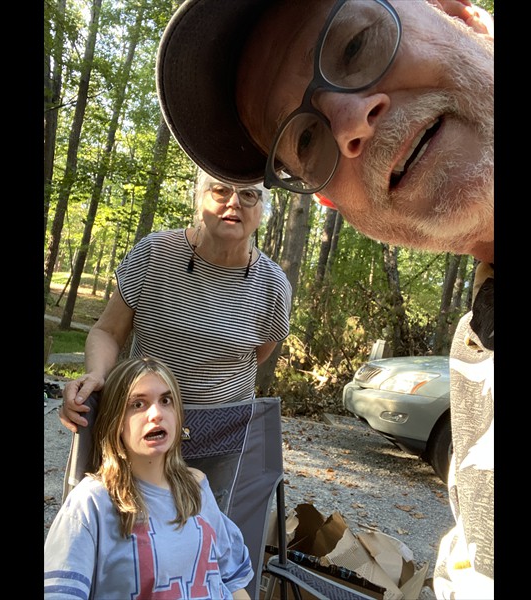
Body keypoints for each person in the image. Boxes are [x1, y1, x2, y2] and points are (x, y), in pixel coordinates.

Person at [155, 0, 494, 597]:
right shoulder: (476, 357)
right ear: (334, 204)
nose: (349, 121)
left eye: (358, 46)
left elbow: (265, 348)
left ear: (463, 16)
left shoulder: (269, 284)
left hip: (227, 429)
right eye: (308, 138)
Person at [59, 169, 292, 433]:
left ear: (263, 210)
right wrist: (96, 374)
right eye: (221, 190)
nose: (234, 202)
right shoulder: (154, 253)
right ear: (199, 199)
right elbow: (108, 331)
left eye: (248, 194)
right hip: (141, 422)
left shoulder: (273, 284)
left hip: (224, 433)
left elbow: (257, 354)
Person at [45, 356, 253, 599]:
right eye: (137, 404)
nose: (156, 414)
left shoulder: (196, 486)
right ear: (115, 422)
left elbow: (232, 580)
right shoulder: (92, 501)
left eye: (166, 401)